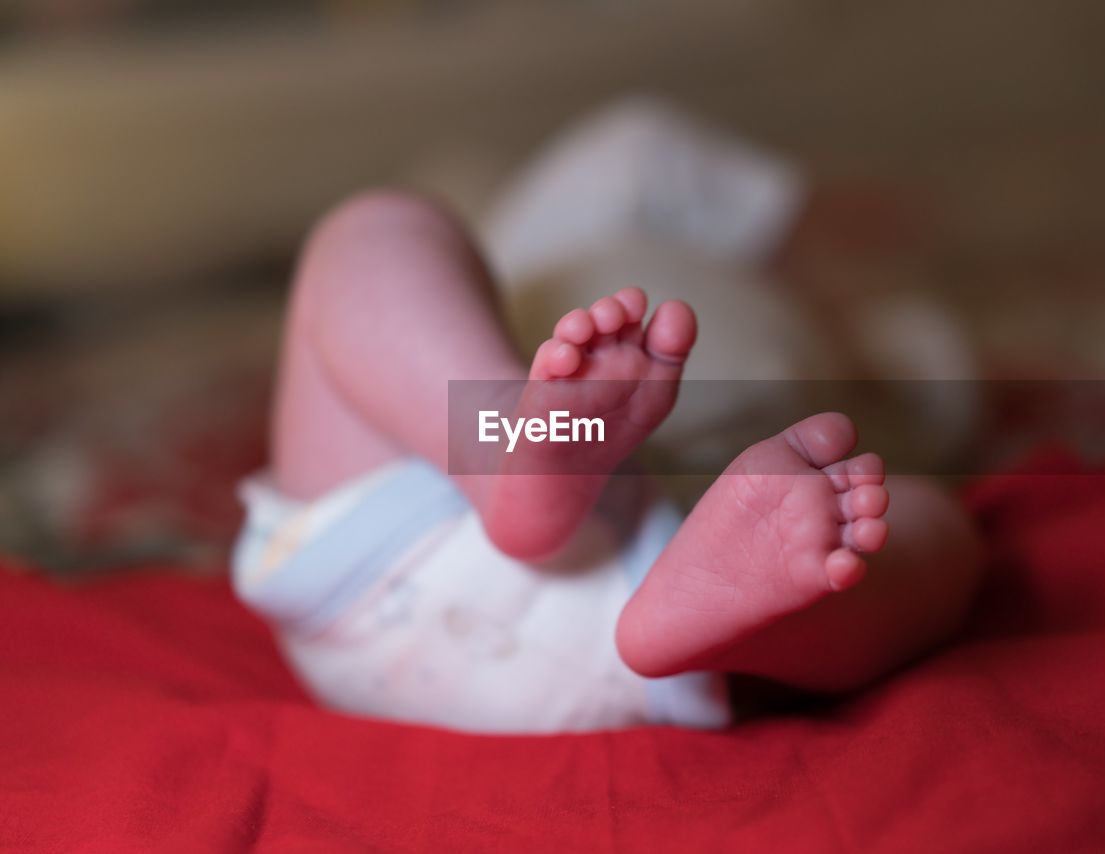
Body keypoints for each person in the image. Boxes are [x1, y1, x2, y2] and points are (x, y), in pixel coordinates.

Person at [231, 180, 984, 733]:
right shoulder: (563, 234)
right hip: (621, 587)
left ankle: (519, 457)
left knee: (375, 232)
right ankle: (517, 454)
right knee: (934, 533)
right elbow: (641, 153)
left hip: (368, 584)